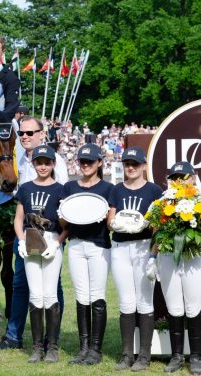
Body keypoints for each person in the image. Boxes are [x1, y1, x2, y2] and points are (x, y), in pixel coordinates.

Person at [0, 117, 67, 352]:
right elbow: (19, 196)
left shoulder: (58, 163)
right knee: (20, 284)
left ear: (42, 134)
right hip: (24, 234)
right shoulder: (18, 159)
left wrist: (57, 240)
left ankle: (51, 339)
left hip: (50, 236)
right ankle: (15, 336)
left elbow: (61, 202)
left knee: (54, 287)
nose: (25, 136)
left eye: (30, 132)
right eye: (21, 133)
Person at [107, 146, 163, 371]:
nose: (130, 168)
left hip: (143, 247)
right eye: (127, 164)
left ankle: (144, 356)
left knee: (144, 301)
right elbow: (110, 220)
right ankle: (127, 354)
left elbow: (159, 227)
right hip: (120, 247)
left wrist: (153, 255)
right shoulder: (116, 190)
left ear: (143, 166)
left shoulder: (154, 191)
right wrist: (116, 223)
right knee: (126, 301)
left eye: (135, 164)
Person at [62, 144, 114, 365]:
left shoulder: (108, 189)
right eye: (82, 161)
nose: (85, 165)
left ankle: (96, 349)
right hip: (75, 245)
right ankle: (83, 348)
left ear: (99, 163)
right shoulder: (69, 188)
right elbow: (63, 221)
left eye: (90, 161)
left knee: (97, 295)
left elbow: (111, 222)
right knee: (81, 295)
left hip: (99, 245)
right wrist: (63, 213)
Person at [14, 145, 66, 363]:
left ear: (53, 164)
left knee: (50, 293)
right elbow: (18, 218)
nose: (43, 166)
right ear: (33, 164)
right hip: (30, 241)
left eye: (47, 162)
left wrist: (57, 243)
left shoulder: (61, 189)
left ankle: (51, 346)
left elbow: (66, 224)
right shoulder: (25, 188)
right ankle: (37, 347)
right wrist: (21, 240)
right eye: (39, 162)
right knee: (35, 294)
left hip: (52, 241)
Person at [158, 161, 201, 375]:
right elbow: (156, 228)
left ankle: (196, 356)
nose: (179, 181)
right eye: (175, 177)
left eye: (184, 176)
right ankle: (177, 356)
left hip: (193, 258)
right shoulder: (163, 200)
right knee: (174, 307)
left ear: (193, 177)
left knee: (193, 307)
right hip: (169, 257)